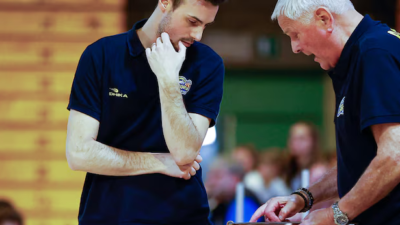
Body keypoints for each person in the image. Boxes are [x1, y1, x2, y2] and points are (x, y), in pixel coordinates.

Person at [65, 0, 227, 224]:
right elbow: (78, 153)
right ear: (165, 3)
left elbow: (184, 153)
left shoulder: (208, 64)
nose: (197, 35)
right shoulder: (101, 55)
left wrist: (168, 79)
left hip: (182, 216)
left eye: (205, 25)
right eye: (192, 21)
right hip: (109, 216)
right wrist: (159, 162)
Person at [251, 0, 400, 225]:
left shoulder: (375, 52)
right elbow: (361, 163)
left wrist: (336, 214)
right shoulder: (358, 55)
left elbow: (395, 156)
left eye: (295, 34)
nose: (295, 47)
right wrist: (303, 198)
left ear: (324, 18)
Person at [205, 159, 262, 225]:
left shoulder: (244, 202)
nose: (211, 182)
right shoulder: (219, 202)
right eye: (210, 176)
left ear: (235, 179)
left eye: (217, 176)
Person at [284, 122, 321, 191]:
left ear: (313, 141)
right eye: (293, 138)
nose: (296, 143)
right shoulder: (291, 169)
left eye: (302, 138)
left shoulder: (319, 172)